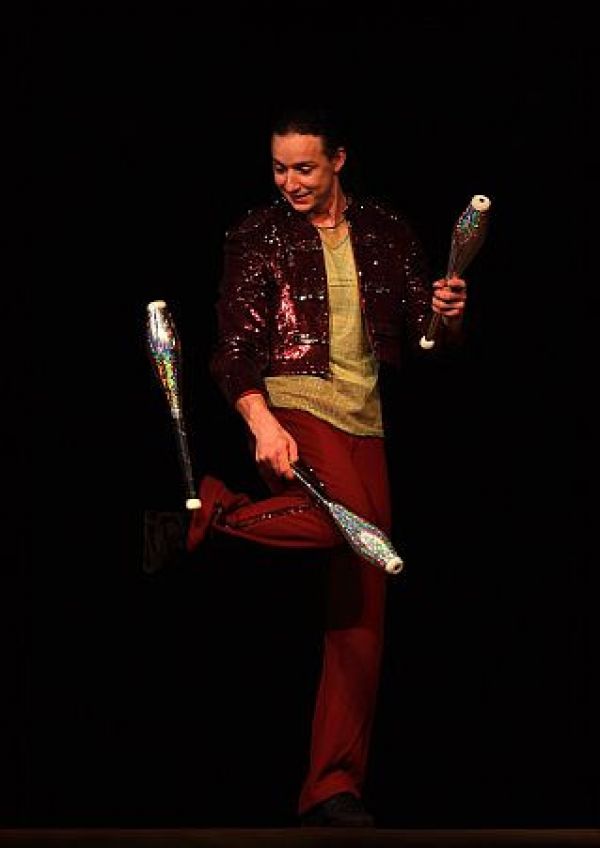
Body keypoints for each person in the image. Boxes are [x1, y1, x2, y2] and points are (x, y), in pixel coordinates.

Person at [186, 106, 468, 827]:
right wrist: (261, 420)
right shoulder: (258, 234)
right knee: (355, 530)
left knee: (363, 612)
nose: (290, 182)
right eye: (280, 168)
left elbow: (427, 336)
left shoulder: (386, 230)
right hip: (296, 405)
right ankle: (209, 512)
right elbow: (232, 346)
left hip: (365, 421)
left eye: (304, 167)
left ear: (338, 160)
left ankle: (331, 788)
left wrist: (448, 311)